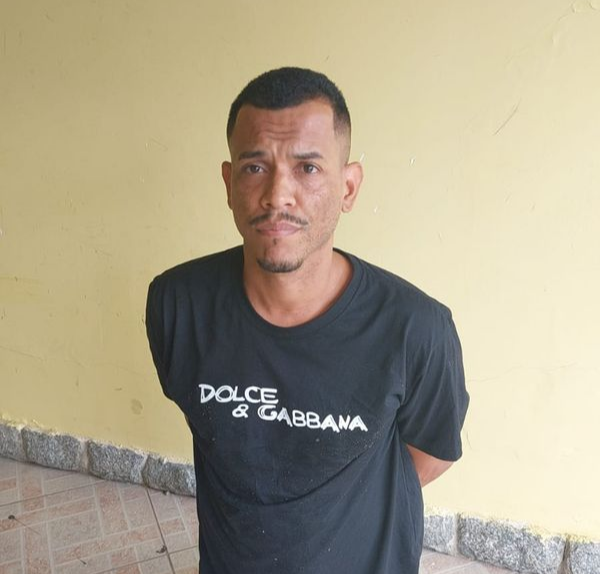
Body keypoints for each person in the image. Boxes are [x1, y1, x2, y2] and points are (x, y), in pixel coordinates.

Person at [146, 67, 469, 574]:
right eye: (255, 167)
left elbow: (430, 455)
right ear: (229, 184)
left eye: (308, 168)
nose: (278, 194)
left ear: (348, 187)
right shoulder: (177, 306)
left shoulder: (415, 329)